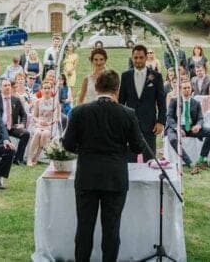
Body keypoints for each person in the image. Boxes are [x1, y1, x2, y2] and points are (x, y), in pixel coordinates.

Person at [62, 69, 150, 262]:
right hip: (115, 177)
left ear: (96, 87)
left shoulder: (79, 111)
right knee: (111, 230)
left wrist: (85, 151)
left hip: (87, 176)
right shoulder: (127, 114)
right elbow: (137, 147)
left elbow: (67, 144)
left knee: (84, 229)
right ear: (117, 89)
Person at [118, 45, 167, 161]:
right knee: (130, 158)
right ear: (132, 58)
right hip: (130, 123)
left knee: (149, 158)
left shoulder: (156, 76)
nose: (138, 60)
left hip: (149, 123)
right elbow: (121, 101)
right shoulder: (125, 76)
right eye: (135, 58)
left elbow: (161, 101)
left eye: (141, 57)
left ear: (146, 58)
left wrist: (160, 122)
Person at [167, 80, 210, 174]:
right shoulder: (174, 101)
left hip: (191, 128)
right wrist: (177, 128)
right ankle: (190, 163)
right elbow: (169, 117)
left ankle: (201, 160)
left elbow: (201, 118)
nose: (187, 90)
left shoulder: (196, 103)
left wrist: (198, 125)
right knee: (173, 139)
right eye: (184, 88)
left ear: (191, 89)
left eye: (188, 88)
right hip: (176, 127)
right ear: (180, 89)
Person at [0, 78, 30, 165]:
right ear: (0, 88)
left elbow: (24, 115)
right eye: (5, 85)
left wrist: (22, 124)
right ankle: (5, 158)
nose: (7, 87)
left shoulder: (16, 100)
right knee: (6, 140)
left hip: (12, 126)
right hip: (0, 127)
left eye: (9, 85)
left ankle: (18, 159)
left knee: (26, 134)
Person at [26, 81, 60, 166]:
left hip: (50, 125)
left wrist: (49, 123)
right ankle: (30, 158)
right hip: (39, 124)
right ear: (41, 90)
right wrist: (39, 121)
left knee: (44, 134)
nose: (47, 90)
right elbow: (34, 116)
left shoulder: (55, 103)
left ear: (51, 89)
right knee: (38, 133)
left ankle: (36, 157)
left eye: (49, 88)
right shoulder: (38, 101)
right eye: (45, 88)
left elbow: (56, 117)